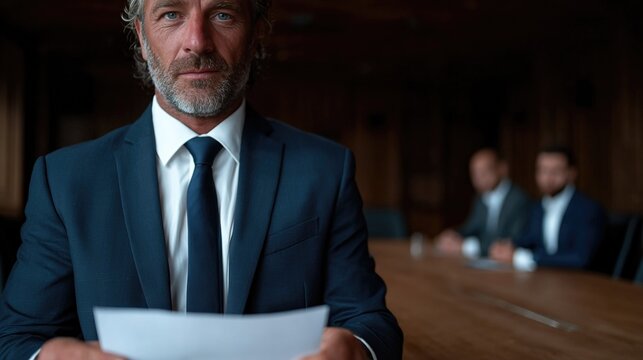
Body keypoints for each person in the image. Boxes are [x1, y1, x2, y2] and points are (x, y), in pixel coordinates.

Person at [0, 0, 403, 359]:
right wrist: (52, 355)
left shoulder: (324, 171)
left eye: (223, 14)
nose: (197, 41)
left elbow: (371, 323)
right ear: (141, 36)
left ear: (256, 33)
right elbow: (16, 337)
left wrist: (356, 349)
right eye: (171, 14)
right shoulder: (66, 181)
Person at [490, 146, 606, 270]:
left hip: (582, 282)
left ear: (571, 173)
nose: (548, 178)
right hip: (545, 279)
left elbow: (580, 258)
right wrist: (508, 247)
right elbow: (530, 239)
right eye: (543, 171)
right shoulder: (537, 207)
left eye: (556, 171)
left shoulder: (588, 209)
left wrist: (531, 258)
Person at [435, 148, 531, 258]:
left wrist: (468, 246)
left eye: (484, 172)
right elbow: (471, 228)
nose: (479, 179)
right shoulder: (480, 199)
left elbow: (512, 240)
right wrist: (454, 236)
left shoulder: (518, 200)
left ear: (502, 168)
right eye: (474, 174)